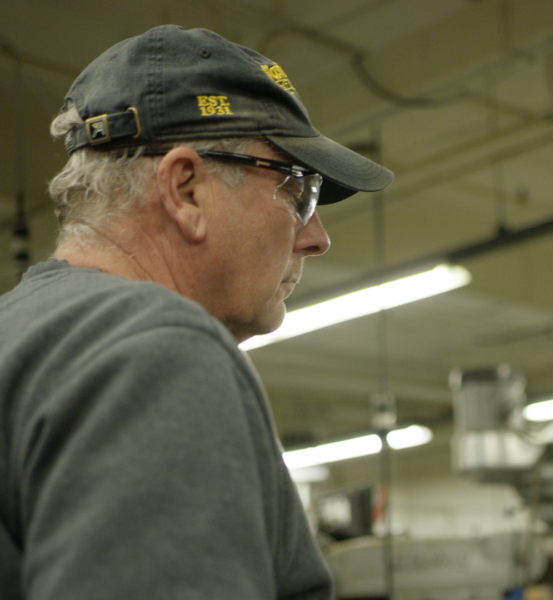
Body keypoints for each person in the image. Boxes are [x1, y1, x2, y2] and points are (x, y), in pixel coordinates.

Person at [0, 25, 393, 600]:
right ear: (185, 190)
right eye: (297, 191)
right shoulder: (156, 352)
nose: (317, 238)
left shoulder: (22, 336)